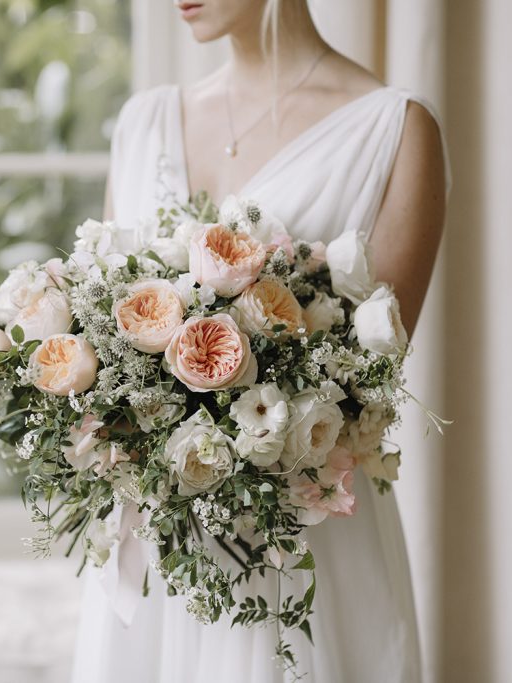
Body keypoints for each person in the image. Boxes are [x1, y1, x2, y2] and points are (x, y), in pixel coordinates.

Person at [71, 1, 449, 681]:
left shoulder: (395, 129)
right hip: (154, 559)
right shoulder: (144, 122)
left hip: (300, 558)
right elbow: (101, 333)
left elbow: (367, 388)